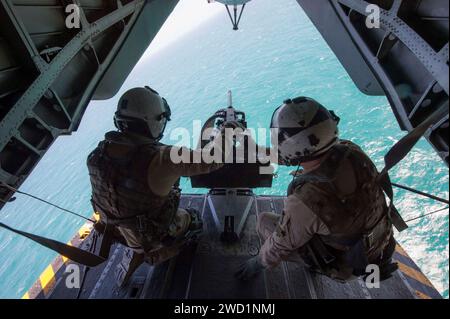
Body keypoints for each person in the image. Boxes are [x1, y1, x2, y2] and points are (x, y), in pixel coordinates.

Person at [236, 97, 397, 282]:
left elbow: (279, 245)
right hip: (380, 245)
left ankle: (326, 268)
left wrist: (255, 265)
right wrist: (257, 150)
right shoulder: (351, 151)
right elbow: (307, 152)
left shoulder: (308, 199)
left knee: (264, 222)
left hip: (349, 265)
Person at [87, 86, 236, 285]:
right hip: (150, 236)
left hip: (117, 231)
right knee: (193, 218)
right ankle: (159, 253)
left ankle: (141, 250)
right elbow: (213, 159)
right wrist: (227, 131)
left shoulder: (98, 154)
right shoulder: (162, 158)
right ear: (154, 121)